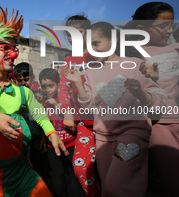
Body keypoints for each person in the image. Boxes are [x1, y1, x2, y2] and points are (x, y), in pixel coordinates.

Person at [0, 7, 68, 196]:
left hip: (22, 174)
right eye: (5, 49)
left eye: (14, 48)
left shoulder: (22, 91)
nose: (13, 54)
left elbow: (39, 113)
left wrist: (51, 132)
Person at [64, 21, 167, 197]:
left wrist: (141, 94)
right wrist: (77, 84)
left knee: (115, 187)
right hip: (103, 137)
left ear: (114, 40)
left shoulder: (135, 64)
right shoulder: (89, 72)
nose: (93, 50)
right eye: (89, 46)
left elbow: (160, 99)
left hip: (133, 131)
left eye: (96, 43)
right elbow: (88, 108)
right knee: (107, 189)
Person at [127, 1, 179, 196]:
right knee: (173, 181)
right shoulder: (132, 54)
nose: (168, 30)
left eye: (171, 24)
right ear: (142, 28)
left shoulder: (176, 48)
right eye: (162, 25)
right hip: (157, 124)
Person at [59, 15, 101, 196]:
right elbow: (63, 89)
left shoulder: (100, 54)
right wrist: (67, 113)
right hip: (85, 124)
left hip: (108, 122)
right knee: (80, 168)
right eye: (70, 33)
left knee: (108, 170)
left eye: (79, 32)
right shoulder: (69, 61)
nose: (73, 37)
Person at [39, 68, 86, 197]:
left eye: (50, 85)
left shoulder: (66, 100)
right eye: (44, 86)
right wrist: (44, 138)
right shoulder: (43, 102)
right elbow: (45, 123)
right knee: (57, 183)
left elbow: (77, 119)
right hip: (53, 148)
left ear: (58, 85)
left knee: (73, 183)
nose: (47, 90)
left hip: (71, 147)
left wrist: (57, 106)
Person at [14, 62, 48, 183]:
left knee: (39, 169)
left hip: (37, 139)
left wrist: (44, 136)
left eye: (26, 79)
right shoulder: (13, 97)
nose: (23, 83)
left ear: (32, 78)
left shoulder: (39, 97)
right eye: (20, 80)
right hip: (21, 140)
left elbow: (44, 118)